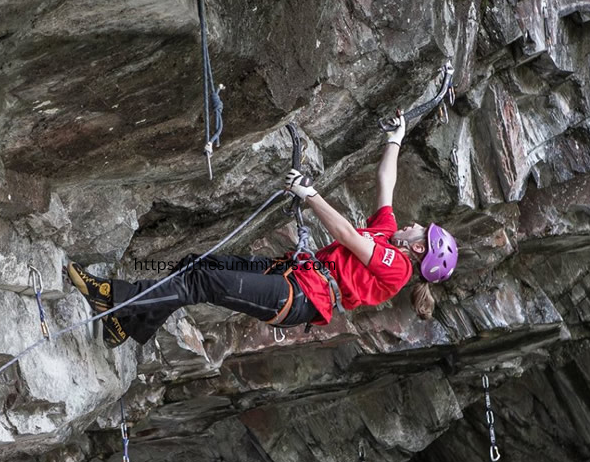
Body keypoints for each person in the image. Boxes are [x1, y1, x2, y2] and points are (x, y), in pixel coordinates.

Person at [68, 113, 457, 347]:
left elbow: (347, 237)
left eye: (422, 231)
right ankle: (125, 324)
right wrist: (395, 139)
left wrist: (310, 195)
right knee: (195, 265)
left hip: (300, 297)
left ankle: (112, 299)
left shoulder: (398, 268)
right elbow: (385, 183)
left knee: (201, 282)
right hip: (293, 276)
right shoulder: (388, 234)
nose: (415, 225)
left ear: (421, 250)